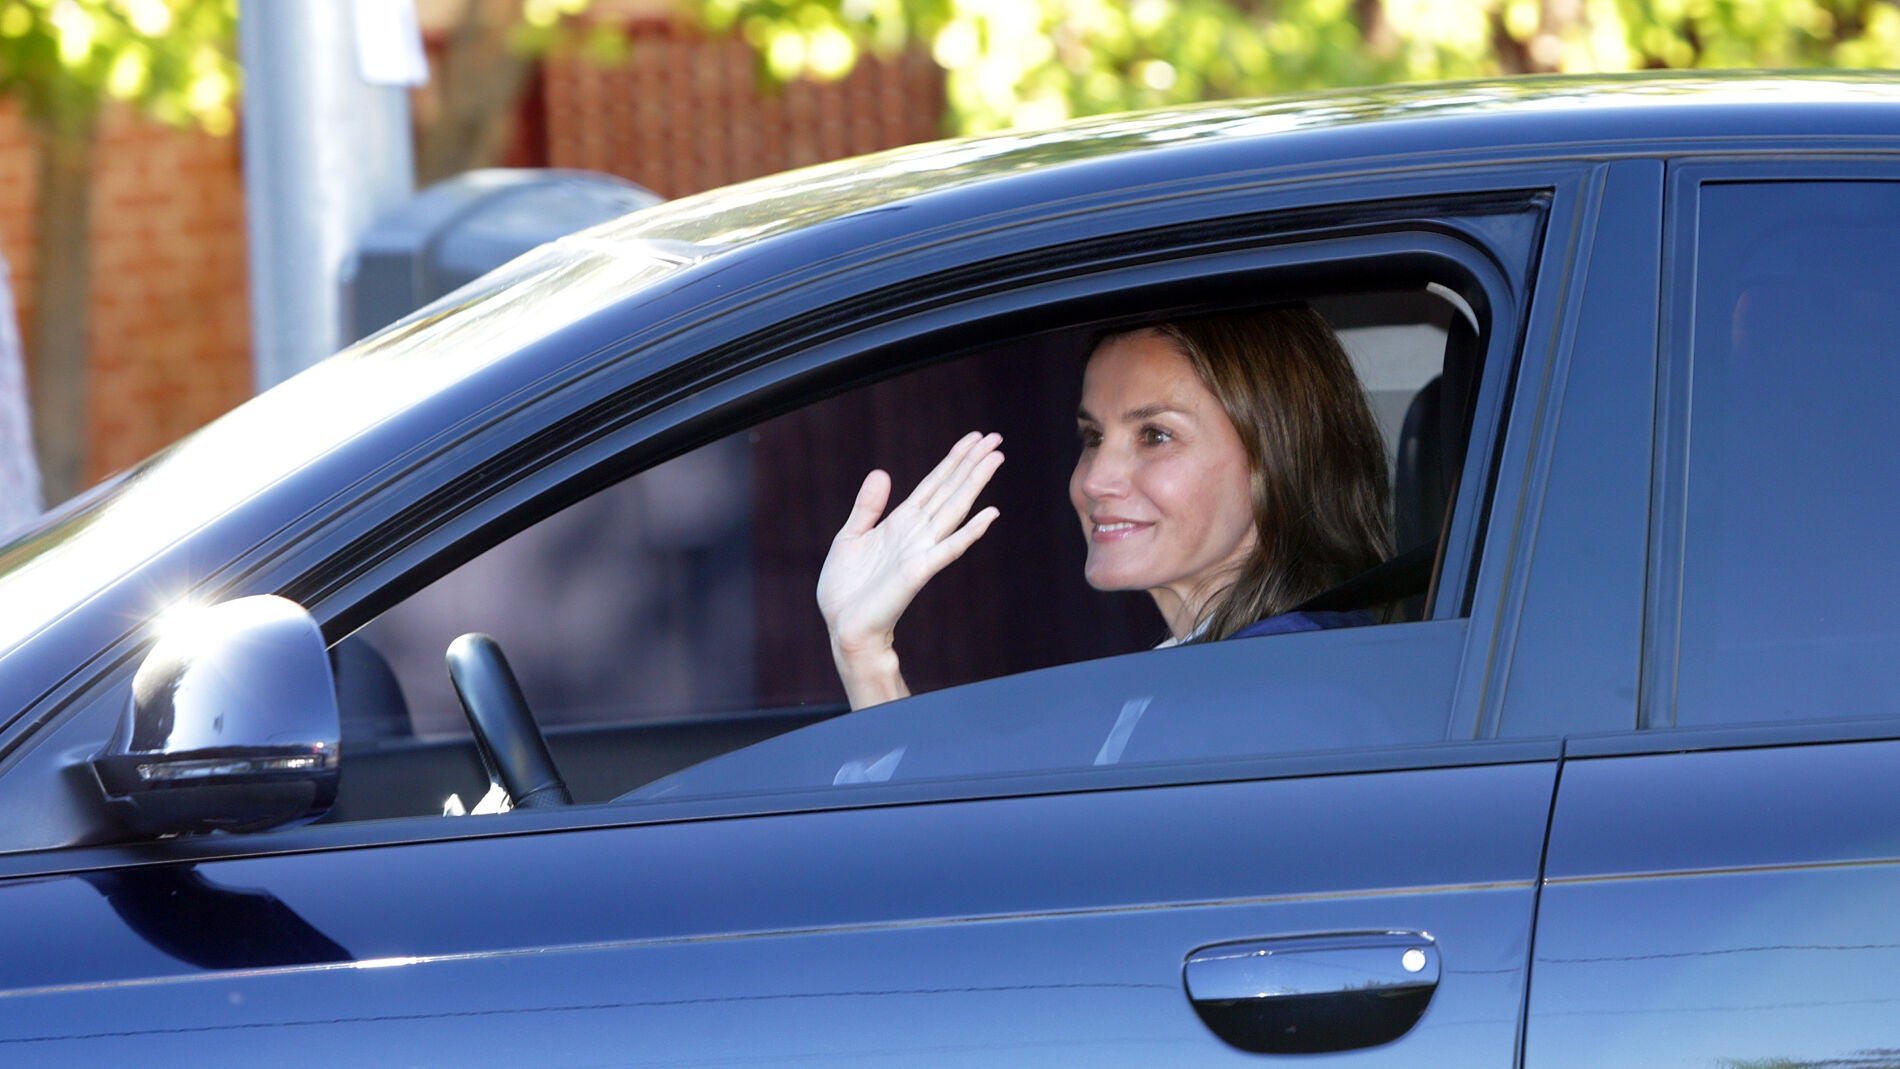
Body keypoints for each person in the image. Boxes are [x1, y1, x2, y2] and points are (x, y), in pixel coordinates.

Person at [817, 304, 1393, 710]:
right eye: (1093, 437)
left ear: (1279, 455)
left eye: (1155, 436)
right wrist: (864, 652)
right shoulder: (1222, 671)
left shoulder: (1281, 693)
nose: (1094, 480)